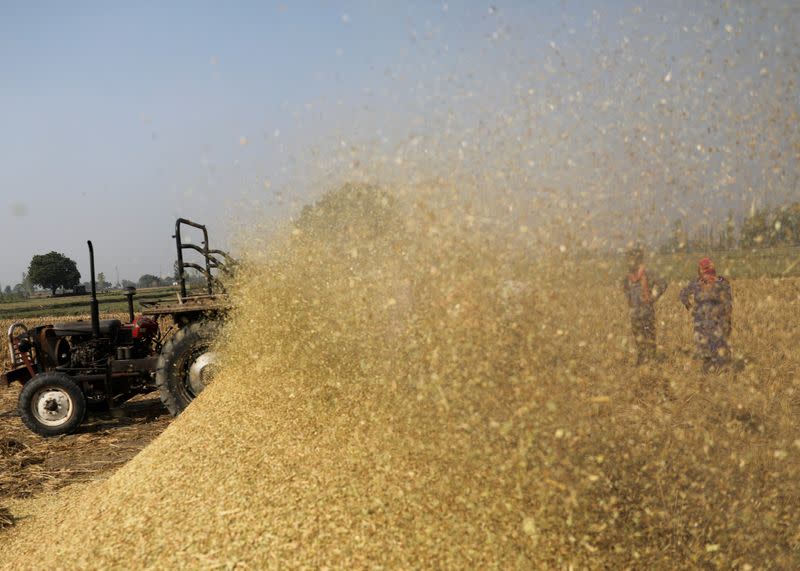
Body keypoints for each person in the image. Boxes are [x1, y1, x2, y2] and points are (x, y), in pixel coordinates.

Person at [679, 257, 733, 371]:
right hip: (703, 323)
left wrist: (727, 319)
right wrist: (689, 306)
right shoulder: (697, 283)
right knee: (705, 349)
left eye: (702, 269)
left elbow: (727, 303)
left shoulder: (721, 282)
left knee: (718, 347)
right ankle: (710, 372)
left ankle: (720, 371)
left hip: (715, 322)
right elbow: (683, 294)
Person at [622, 247, 668, 365]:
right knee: (638, 336)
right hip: (634, 312)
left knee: (649, 336)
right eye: (628, 258)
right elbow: (626, 290)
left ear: (638, 260)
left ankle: (652, 359)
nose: (629, 261)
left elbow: (662, 283)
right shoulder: (628, 277)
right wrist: (630, 301)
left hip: (647, 311)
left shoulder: (647, 273)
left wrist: (653, 296)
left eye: (631, 258)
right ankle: (641, 358)